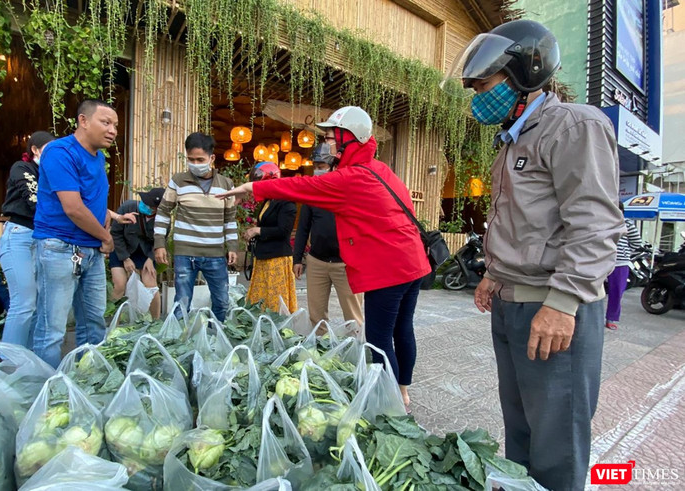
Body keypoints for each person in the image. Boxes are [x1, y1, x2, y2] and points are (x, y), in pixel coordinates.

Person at [451, 20, 624, 490]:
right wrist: (494, 274)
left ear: (524, 73)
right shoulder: (513, 140)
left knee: (556, 442)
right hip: (513, 304)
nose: (477, 96)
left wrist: (564, 303)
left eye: (483, 85)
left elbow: (593, 223)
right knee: (522, 430)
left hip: (552, 306)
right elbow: (523, 223)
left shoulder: (573, 126)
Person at [217, 106, 431, 410]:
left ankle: (392, 405)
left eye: (331, 137)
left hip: (390, 268)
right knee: (402, 329)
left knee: (379, 339)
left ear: (349, 138)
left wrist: (252, 186)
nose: (326, 143)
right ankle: (403, 390)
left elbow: (300, 187)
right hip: (413, 262)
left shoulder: (351, 177)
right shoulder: (379, 168)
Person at [32, 99, 137, 368]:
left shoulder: (98, 157)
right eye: (106, 122)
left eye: (115, 124)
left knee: (93, 325)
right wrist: (106, 236)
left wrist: (108, 220)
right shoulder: (59, 152)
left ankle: (86, 382)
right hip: (59, 247)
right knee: (52, 329)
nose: (113, 130)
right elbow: (73, 208)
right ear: (83, 121)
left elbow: (93, 201)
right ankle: (44, 393)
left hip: (89, 251)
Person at [154, 132, 238, 322]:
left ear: (212, 158)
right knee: (181, 303)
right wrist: (159, 243)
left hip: (215, 254)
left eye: (200, 159)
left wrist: (232, 245)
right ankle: (178, 343)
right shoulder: (178, 181)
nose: (195, 163)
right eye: (191, 159)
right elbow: (163, 212)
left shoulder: (226, 184)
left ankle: (215, 338)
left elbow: (230, 219)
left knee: (222, 302)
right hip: (185, 254)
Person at [293, 143, 364, 334]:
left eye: (321, 166)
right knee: (316, 317)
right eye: (315, 166)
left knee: (353, 316)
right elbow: (303, 228)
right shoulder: (312, 192)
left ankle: (355, 352)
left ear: (334, 165)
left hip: (346, 263)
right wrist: (297, 258)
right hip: (317, 261)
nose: (317, 170)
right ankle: (321, 351)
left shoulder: (349, 189)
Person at [0, 130, 56, 348]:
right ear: (35, 149)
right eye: (49, 150)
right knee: (23, 301)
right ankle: (11, 360)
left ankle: (29, 358)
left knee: (39, 303)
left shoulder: (51, 174)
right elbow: (34, 200)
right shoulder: (21, 168)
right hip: (19, 235)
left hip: (42, 240)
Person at [243, 162, 298, 313]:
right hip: (263, 256)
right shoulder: (269, 200)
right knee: (260, 300)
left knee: (275, 303)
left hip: (277, 259)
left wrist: (258, 230)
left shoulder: (286, 201)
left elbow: (283, 231)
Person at [110, 188, 165, 319]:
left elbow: (160, 240)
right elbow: (116, 233)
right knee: (119, 284)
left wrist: (151, 259)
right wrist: (125, 258)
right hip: (122, 249)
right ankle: (111, 320)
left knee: (151, 285)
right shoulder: (128, 207)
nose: (145, 206)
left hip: (146, 252)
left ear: (156, 209)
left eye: (150, 206)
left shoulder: (162, 219)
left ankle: (155, 322)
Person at [605, 203, 642, 330]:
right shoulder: (603, 223)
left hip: (620, 263)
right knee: (592, 291)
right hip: (601, 262)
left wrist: (625, 252)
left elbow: (636, 243)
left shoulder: (628, 224)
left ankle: (611, 318)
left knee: (616, 293)